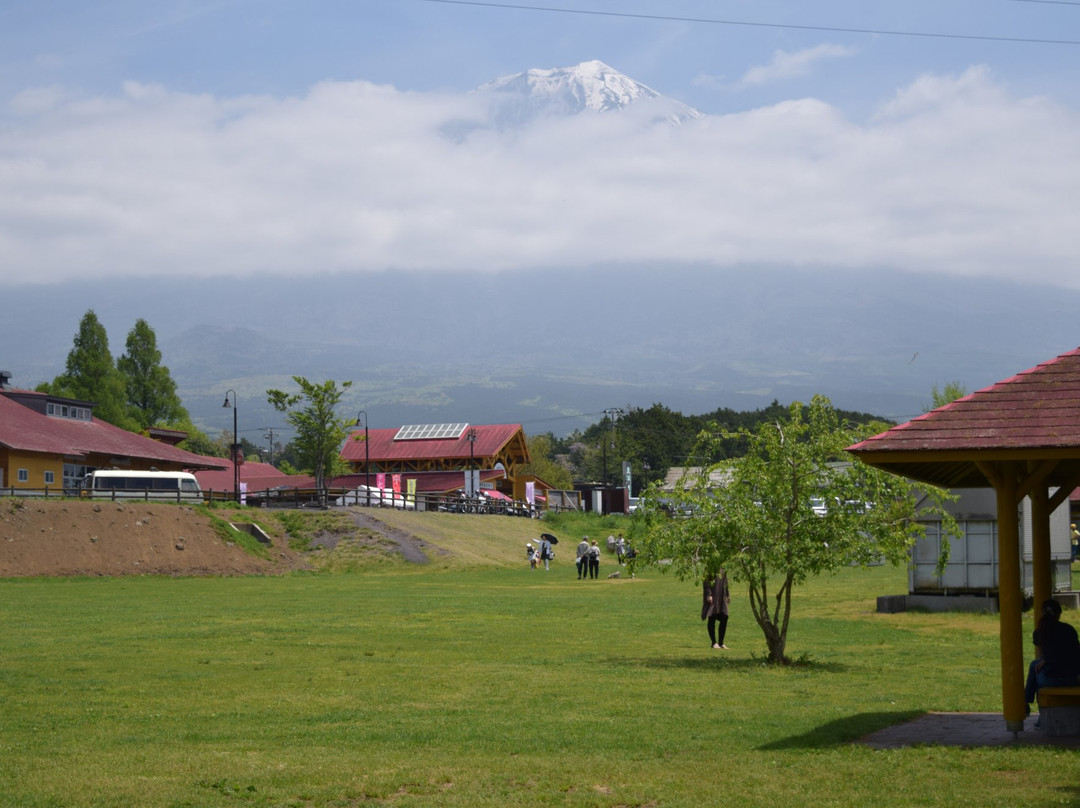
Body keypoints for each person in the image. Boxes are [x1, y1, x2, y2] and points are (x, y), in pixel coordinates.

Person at [1024, 598, 1080, 717]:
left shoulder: (1039, 632)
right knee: (1035, 666)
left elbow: (1041, 656)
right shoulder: (1069, 630)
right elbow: (1074, 653)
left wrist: (1046, 660)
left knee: (1036, 669)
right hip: (1074, 677)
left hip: (1053, 679)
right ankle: (1027, 703)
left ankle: (1028, 703)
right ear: (1059, 614)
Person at [701, 569, 731, 650]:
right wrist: (708, 594)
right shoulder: (710, 566)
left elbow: (725, 581)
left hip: (721, 596)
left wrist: (728, 594)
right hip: (713, 595)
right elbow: (706, 581)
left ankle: (721, 643)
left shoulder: (723, 567)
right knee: (712, 617)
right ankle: (714, 643)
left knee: (725, 616)